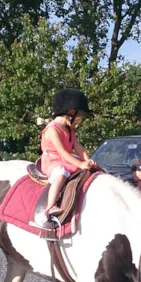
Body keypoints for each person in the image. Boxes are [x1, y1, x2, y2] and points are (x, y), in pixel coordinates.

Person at [41, 88, 96, 221]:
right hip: (52, 161)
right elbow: (63, 152)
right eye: (79, 117)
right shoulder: (52, 129)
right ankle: (50, 206)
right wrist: (80, 164)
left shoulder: (69, 130)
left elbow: (78, 147)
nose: (80, 121)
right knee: (61, 174)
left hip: (65, 160)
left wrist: (88, 160)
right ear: (71, 112)